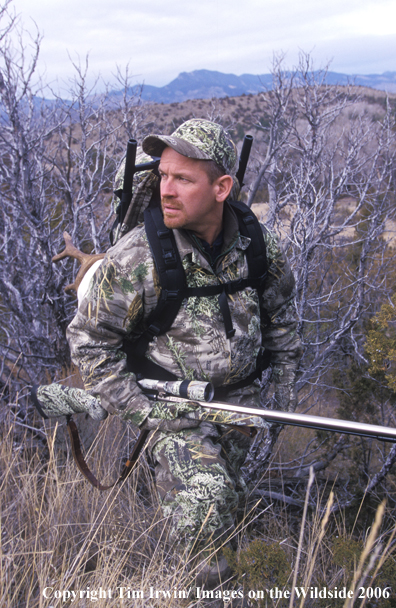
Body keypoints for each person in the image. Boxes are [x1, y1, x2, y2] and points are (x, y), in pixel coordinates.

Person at [66, 119, 302, 585]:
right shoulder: (138, 257)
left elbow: (282, 318)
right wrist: (147, 413)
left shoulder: (256, 243)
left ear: (222, 188)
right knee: (205, 504)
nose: (166, 190)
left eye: (183, 179)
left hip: (243, 407)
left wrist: (282, 393)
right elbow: (89, 343)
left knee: (227, 507)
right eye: (163, 176)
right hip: (174, 411)